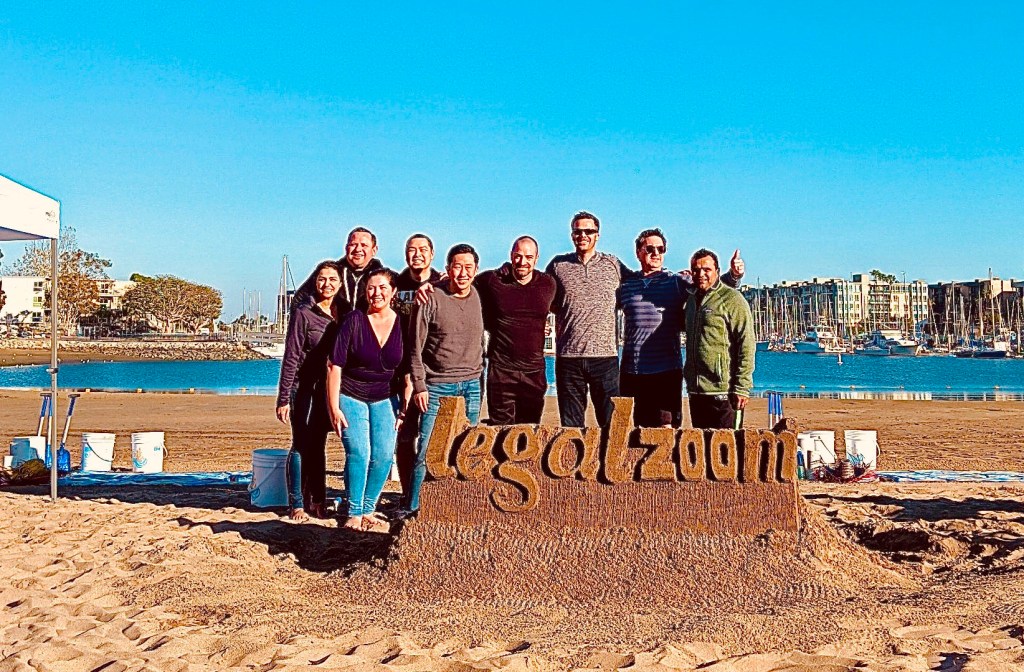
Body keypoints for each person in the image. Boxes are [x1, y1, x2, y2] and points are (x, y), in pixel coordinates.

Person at [618, 230, 744, 427]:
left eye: (661, 249)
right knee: (633, 429)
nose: (656, 253)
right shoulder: (626, 286)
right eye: (650, 249)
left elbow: (709, 284)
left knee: (666, 430)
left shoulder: (676, 282)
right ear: (638, 252)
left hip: (666, 370)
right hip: (632, 371)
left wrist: (735, 275)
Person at [406, 243, 485, 513]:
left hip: (473, 386)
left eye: (468, 267)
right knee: (426, 451)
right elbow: (415, 347)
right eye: (457, 266)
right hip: (436, 386)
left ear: (476, 269)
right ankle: (414, 507)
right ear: (448, 268)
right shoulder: (429, 299)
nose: (463, 273)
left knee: (465, 451)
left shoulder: (479, 293)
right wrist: (419, 385)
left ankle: (457, 507)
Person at [326, 268, 405, 532]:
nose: (376, 293)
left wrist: (405, 406)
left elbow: (408, 370)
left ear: (393, 292)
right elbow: (334, 366)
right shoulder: (354, 320)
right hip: (351, 394)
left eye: (382, 287)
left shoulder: (403, 322)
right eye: (371, 288)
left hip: (386, 398)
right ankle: (354, 511)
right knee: (359, 453)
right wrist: (334, 407)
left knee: (383, 456)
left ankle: (369, 508)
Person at [545, 212, 630, 428]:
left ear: (597, 235)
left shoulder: (614, 265)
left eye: (588, 231)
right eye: (578, 231)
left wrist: (680, 278)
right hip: (568, 358)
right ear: (572, 234)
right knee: (570, 426)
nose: (583, 235)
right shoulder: (558, 265)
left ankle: (610, 463)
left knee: (612, 425)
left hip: (605, 357)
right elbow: (540, 293)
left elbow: (641, 284)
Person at [275, 260, 341, 521]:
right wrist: (283, 398)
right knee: (302, 444)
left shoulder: (343, 312)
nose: (327, 284)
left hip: (327, 388)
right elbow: (291, 356)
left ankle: (319, 500)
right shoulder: (303, 312)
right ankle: (297, 503)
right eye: (322, 279)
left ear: (339, 284)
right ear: (315, 281)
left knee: (320, 445)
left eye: (332, 279)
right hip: (302, 388)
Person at [393, 233, 441, 510]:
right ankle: (407, 492)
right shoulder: (397, 284)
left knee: (432, 435)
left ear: (432, 254)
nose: (417, 254)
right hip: (399, 370)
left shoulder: (441, 283)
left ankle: (429, 495)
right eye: (411, 249)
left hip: (433, 370)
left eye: (423, 249)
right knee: (406, 435)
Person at [684, 248, 756, 429]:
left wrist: (742, 387)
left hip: (725, 393)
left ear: (717, 270)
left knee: (728, 452)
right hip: (696, 392)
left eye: (706, 269)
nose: (701, 274)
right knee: (702, 451)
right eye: (696, 269)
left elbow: (746, 344)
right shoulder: (691, 301)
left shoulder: (732, 299)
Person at [294, 227, 384, 315]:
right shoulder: (330, 273)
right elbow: (299, 300)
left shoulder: (384, 278)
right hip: (333, 328)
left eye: (364, 245)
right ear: (346, 248)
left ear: (374, 250)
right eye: (353, 245)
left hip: (370, 328)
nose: (358, 249)